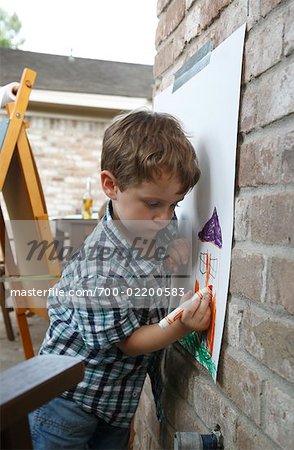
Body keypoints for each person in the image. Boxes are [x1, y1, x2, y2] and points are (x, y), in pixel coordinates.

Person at [29, 110, 211, 450]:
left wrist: (170, 263)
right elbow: (127, 342)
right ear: (111, 185)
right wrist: (183, 325)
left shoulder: (147, 228)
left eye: (175, 205)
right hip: (65, 404)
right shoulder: (100, 264)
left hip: (113, 404)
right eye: (153, 203)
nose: (165, 217)